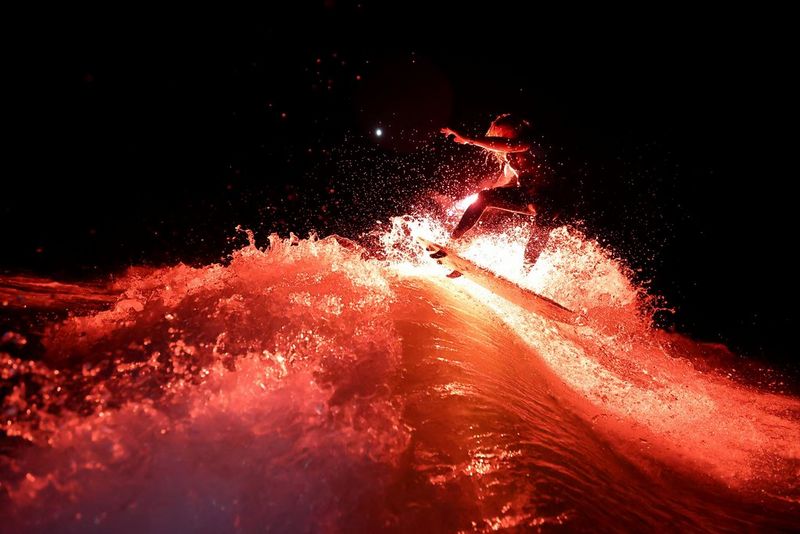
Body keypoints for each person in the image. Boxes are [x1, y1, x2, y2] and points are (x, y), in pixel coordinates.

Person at [441, 113, 573, 265]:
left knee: (542, 221)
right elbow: (503, 179)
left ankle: (526, 271)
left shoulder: (532, 143)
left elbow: (513, 145)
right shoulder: (510, 159)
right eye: (497, 134)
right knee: (485, 197)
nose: (499, 137)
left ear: (517, 129)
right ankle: (452, 243)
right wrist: (484, 199)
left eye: (503, 133)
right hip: (527, 197)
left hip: (552, 199)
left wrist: (469, 139)